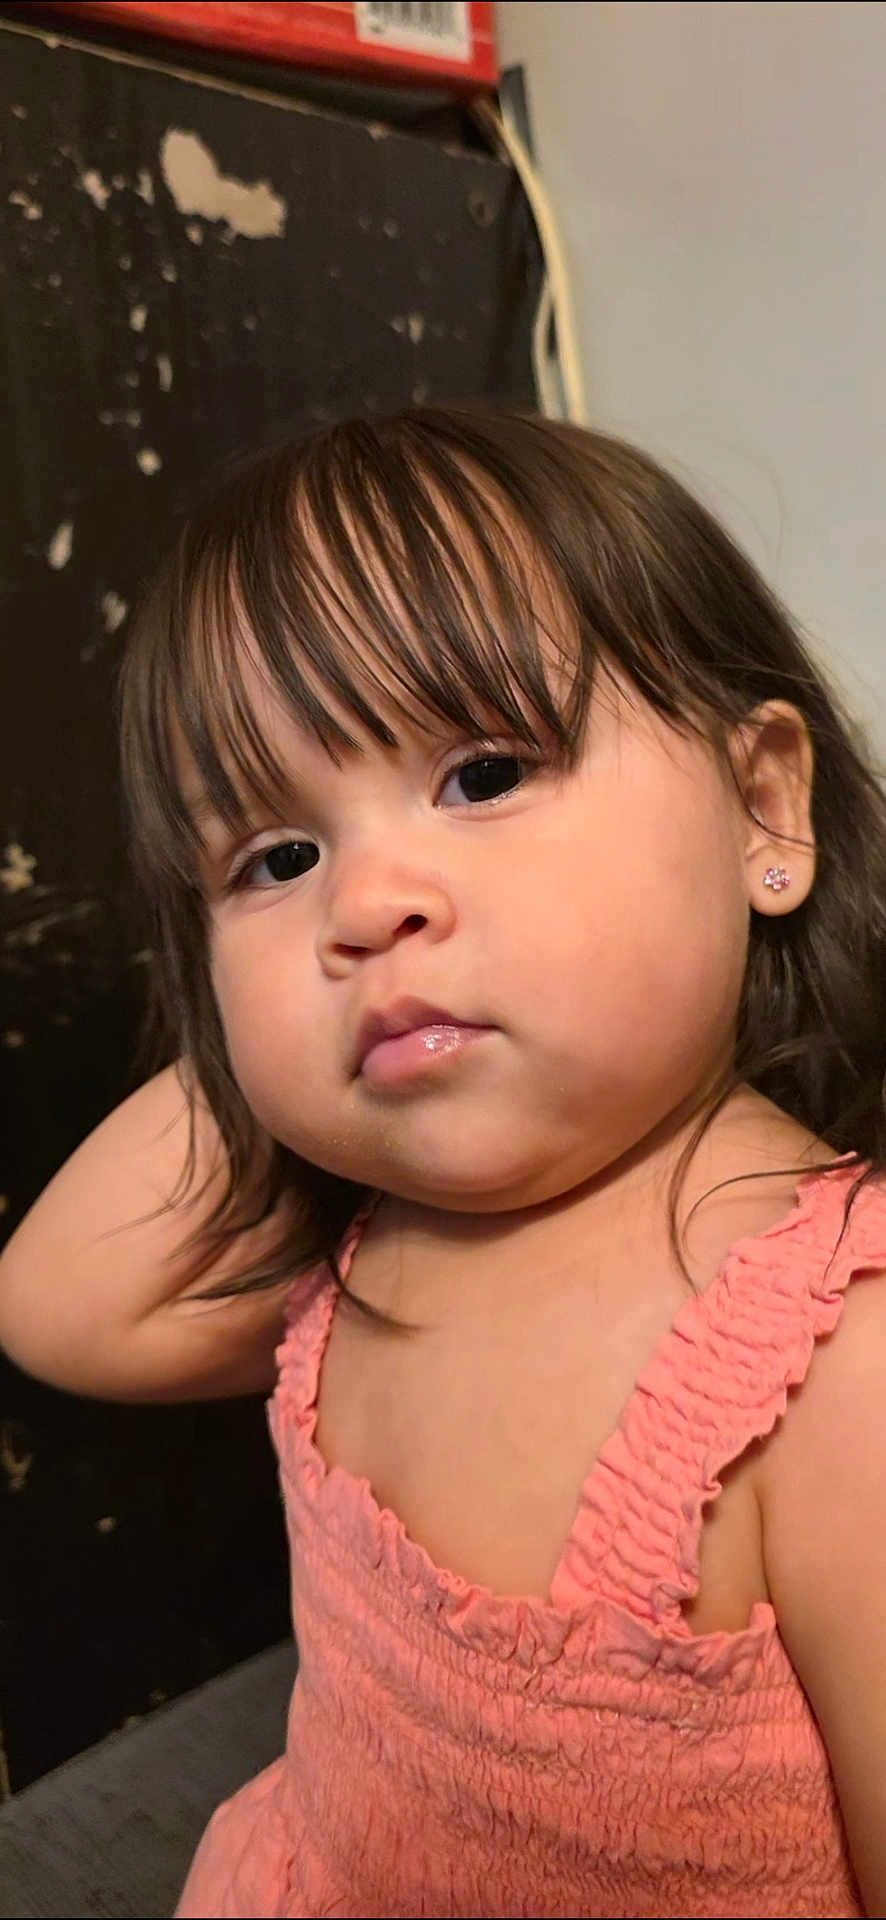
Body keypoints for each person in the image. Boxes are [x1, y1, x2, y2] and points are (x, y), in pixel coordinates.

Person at [2, 407, 886, 1919]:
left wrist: (317, 956)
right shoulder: (362, 1232)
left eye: (480, 773)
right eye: (275, 859)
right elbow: (54, 1305)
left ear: (761, 807)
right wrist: (287, 1044)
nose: (369, 899)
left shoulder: (836, 1356)